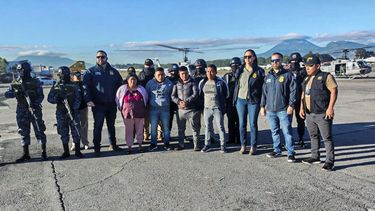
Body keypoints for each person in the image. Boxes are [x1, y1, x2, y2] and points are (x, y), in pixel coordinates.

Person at [300, 55, 338, 171]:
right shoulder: (306, 79)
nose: (308, 68)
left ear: (318, 66)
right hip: (309, 113)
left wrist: (330, 108)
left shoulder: (326, 76)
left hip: (322, 112)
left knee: (327, 138)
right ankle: (315, 156)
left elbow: (334, 91)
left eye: (310, 66)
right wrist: (302, 107)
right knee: (313, 136)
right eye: (306, 66)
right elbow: (303, 94)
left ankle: (329, 161)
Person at [4, 62, 48, 162]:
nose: (21, 72)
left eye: (23, 71)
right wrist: (15, 93)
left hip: (35, 109)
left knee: (39, 130)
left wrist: (34, 104)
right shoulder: (16, 82)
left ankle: (43, 153)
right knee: (23, 132)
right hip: (21, 109)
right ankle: (26, 154)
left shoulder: (35, 81)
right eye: (20, 71)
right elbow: (7, 94)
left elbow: (41, 95)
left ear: (27, 71)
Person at [82, 50, 123, 156]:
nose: (100, 59)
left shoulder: (114, 72)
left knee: (111, 125)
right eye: (98, 57)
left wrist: (121, 101)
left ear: (106, 58)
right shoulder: (91, 71)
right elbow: (85, 87)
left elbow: (121, 87)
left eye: (102, 57)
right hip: (98, 104)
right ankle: (97, 148)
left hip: (111, 104)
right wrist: (88, 100)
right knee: (98, 126)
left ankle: (113, 144)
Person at [260, 52, 297, 163]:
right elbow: (264, 93)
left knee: (287, 132)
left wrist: (291, 105)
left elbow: (293, 91)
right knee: (274, 131)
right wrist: (262, 106)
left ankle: (291, 153)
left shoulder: (288, 75)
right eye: (272, 60)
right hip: (271, 110)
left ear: (281, 61)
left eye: (277, 60)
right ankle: (277, 150)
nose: (274, 62)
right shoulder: (268, 76)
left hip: (284, 109)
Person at [232, 50, 265, 155]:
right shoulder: (240, 70)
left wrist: (262, 104)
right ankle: (243, 145)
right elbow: (235, 83)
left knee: (253, 124)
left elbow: (263, 88)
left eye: (249, 56)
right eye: (245, 57)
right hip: (240, 100)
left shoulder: (259, 71)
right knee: (241, 124)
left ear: (254, 57)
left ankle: (253, 146)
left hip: (253, 101)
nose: (247, 59)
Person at [48, 66, 83, 159]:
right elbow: (49, 98)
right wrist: (57, 99)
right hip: (61, 112)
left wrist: (73, 108)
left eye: (66, 74)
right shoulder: (56, 86)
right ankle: (66, 151)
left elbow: (78, 98)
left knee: (76, 131)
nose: (64, 76)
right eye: (62, 75)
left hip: (73, 112)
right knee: (63, 132)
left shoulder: (74, 85)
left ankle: (78, 151)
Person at [198, 64, 228, 153]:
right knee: (207, 127)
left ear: (215, 72)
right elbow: (200, 94)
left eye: (211, 71)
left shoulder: (220, 82)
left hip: (217, 108)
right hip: (207, 108)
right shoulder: (203, 82)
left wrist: (222, 105)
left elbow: (226, 94)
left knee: (220, 126)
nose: (209, 73)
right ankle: (207, 144)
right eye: (207, 71)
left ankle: (223, 145)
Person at [116, 74, 148, 154]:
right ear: (127, 80)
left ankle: (140, 145)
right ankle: (129, 146)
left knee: (140, 129)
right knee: (129, 130)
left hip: (139, 112)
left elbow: (146, 98)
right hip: (127, 113)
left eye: (134, 79)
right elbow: (117, 99)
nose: (133, 81)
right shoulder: (123, 89)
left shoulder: (141, 89)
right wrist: (121, 107)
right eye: (131, 80)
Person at [171, 66, 200, 151]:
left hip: (192, 109)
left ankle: (196, 145)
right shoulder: (176, 83)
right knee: (181, 129)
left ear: (188, 73)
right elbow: (173, 96)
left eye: (186, 73)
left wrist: (187, 101)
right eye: (182, 74)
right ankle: (181, 144)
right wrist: (179, 102)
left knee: (195, 128)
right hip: (180, 110)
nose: (184, 75)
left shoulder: (193, 82)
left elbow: (195, 94)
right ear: (179, 74)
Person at [145, 67, 174, 151]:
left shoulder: (169, 83)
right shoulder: (150, 83)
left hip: (165, 109)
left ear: (164, 75)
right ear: (155, 75)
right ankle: (153, 143)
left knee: (166, 127)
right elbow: (146, 95)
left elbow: (172, 95)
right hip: (153, 109)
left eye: (162, 75)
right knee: (153, 127)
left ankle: (167, 143)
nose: (160, 77)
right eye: (158, 75)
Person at [288, 52, 307, 148]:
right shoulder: (287, 73)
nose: (294, 63)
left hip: (300, 99)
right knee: (287, 121)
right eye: (292, 62)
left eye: (296, 62)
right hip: (289, 100)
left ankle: (301, 138)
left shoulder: (304, 73)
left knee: (301, 120)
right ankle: (289, 140)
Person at [223, 57, 241, 145]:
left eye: (237, 65)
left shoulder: (242, 75)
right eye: (233, 65)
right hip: (229, 102)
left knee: (240, 122)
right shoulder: (226, 76)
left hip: (240, 102)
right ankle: (231, 138)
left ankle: (240, 138)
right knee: (230, 121)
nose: (235, 67)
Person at [70, 71, 89, 151]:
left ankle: (85, 143)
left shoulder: (83, 85)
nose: (78, 77)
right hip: (73, 109)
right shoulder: (70, 85)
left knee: (84, 126)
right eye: (76, 76)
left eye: (79, 76)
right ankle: (74, 143)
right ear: (72, 77)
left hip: (83, 108)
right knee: (74, 127)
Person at [138, 59, 155, 140]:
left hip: (155, 98)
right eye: (147, 65)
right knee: (145, 119)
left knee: (157, 118)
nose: (148, 66)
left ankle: (158, 134)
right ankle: (146, 134)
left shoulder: (156, 73)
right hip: (144, 99)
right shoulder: (141, 74)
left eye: (149, 65)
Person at [167, 63, 179, 132]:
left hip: (178, 102)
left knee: (180, 121)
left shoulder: (181, 79)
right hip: (170, 103)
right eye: (172, 71)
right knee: (169, 121)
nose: (174, 72)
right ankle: (167, 134)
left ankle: (181, 135)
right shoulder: (167, 80)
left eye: (175, 71)